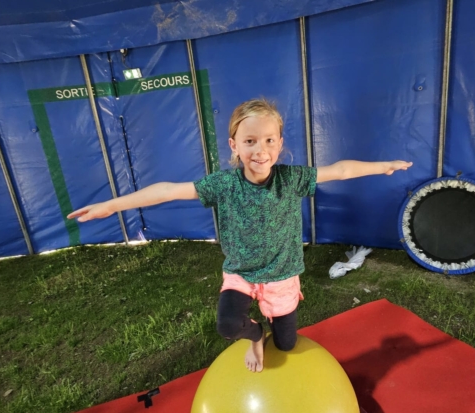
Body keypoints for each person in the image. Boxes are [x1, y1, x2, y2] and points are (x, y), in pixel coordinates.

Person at [68, 98, 413, 373]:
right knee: (228, 325)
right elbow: (168, 190)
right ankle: (255, 335)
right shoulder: (224, 185)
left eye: (268, 141)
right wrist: (112, 205)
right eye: (249, 141)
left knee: (289, 344)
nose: (259, 150)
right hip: (242, 274)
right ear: (234, 145)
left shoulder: (291, 178)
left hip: (281, 275)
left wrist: (383, 166)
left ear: (280, 145)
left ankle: (274, 330)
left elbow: (339, 170)